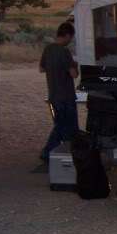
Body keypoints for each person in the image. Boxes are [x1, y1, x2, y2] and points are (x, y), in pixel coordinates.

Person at [39, 21, 79, 163]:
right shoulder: (64, 52)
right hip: (66, 96)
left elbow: (42, 69)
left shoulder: (48, 49)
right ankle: (48, 151)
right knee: (66, 126)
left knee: (61, 125)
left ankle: (69, 152)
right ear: (67, 35)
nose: (70, 41)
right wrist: (75, 64)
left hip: (53, 94)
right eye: (71, 38)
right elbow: (74, 74)